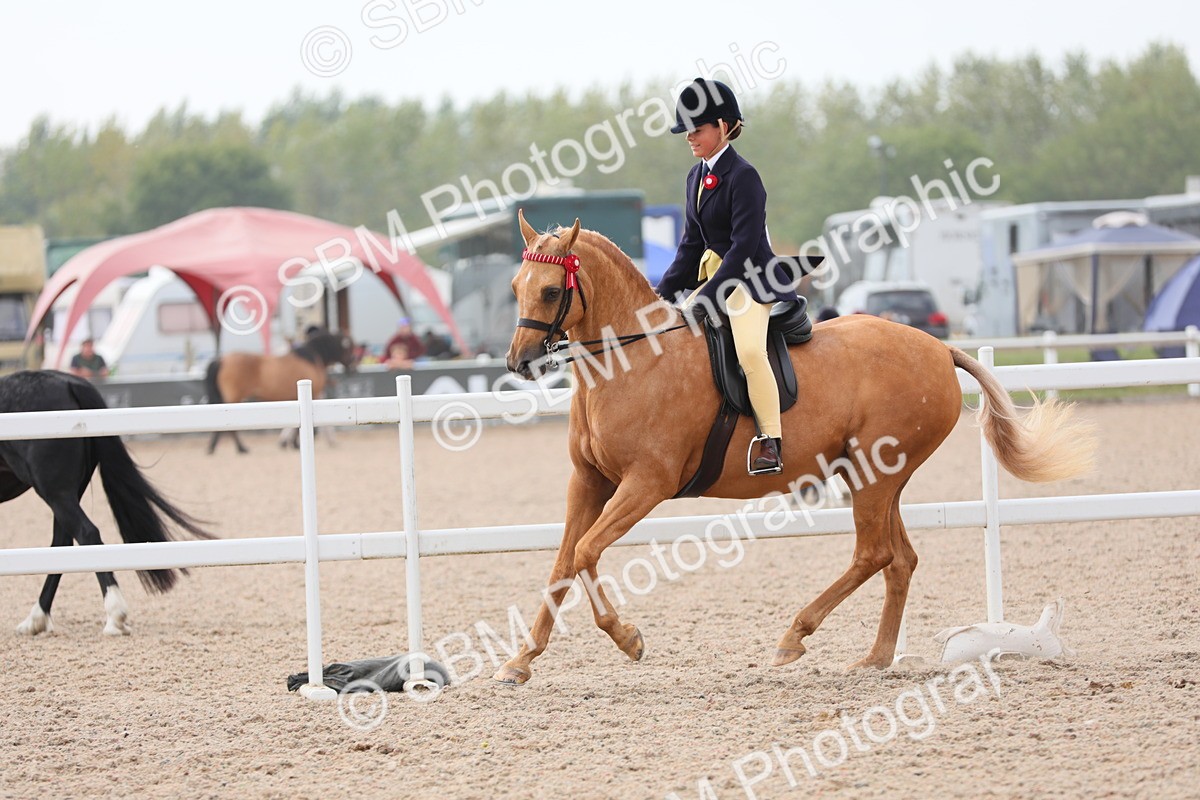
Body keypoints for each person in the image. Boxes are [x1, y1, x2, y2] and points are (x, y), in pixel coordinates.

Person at [655, 78, 800, 475]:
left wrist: (707, 297)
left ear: (722, 126)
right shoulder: (694, 177)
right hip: (715, 278)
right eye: (686, 130)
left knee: (750, 352)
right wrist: (661, 292)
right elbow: (690, 245)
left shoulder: (744, 176)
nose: (689, 137)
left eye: (697, 129)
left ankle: (770, 441)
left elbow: (741, 247)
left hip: (751, 280)